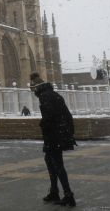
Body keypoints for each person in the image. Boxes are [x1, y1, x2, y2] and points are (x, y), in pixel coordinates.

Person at [30, 73, 76, 207]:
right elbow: (66, 115)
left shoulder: (45, 97)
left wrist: (43, 125)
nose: (33, 92)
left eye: (33, 89)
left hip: (54, 135)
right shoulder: (54, 95)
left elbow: (49, 118)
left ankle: (68, 195)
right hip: (60, 133)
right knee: (50, 161)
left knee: (57, 164)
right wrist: (69, 133)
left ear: (37, 87)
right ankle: (55, 191)